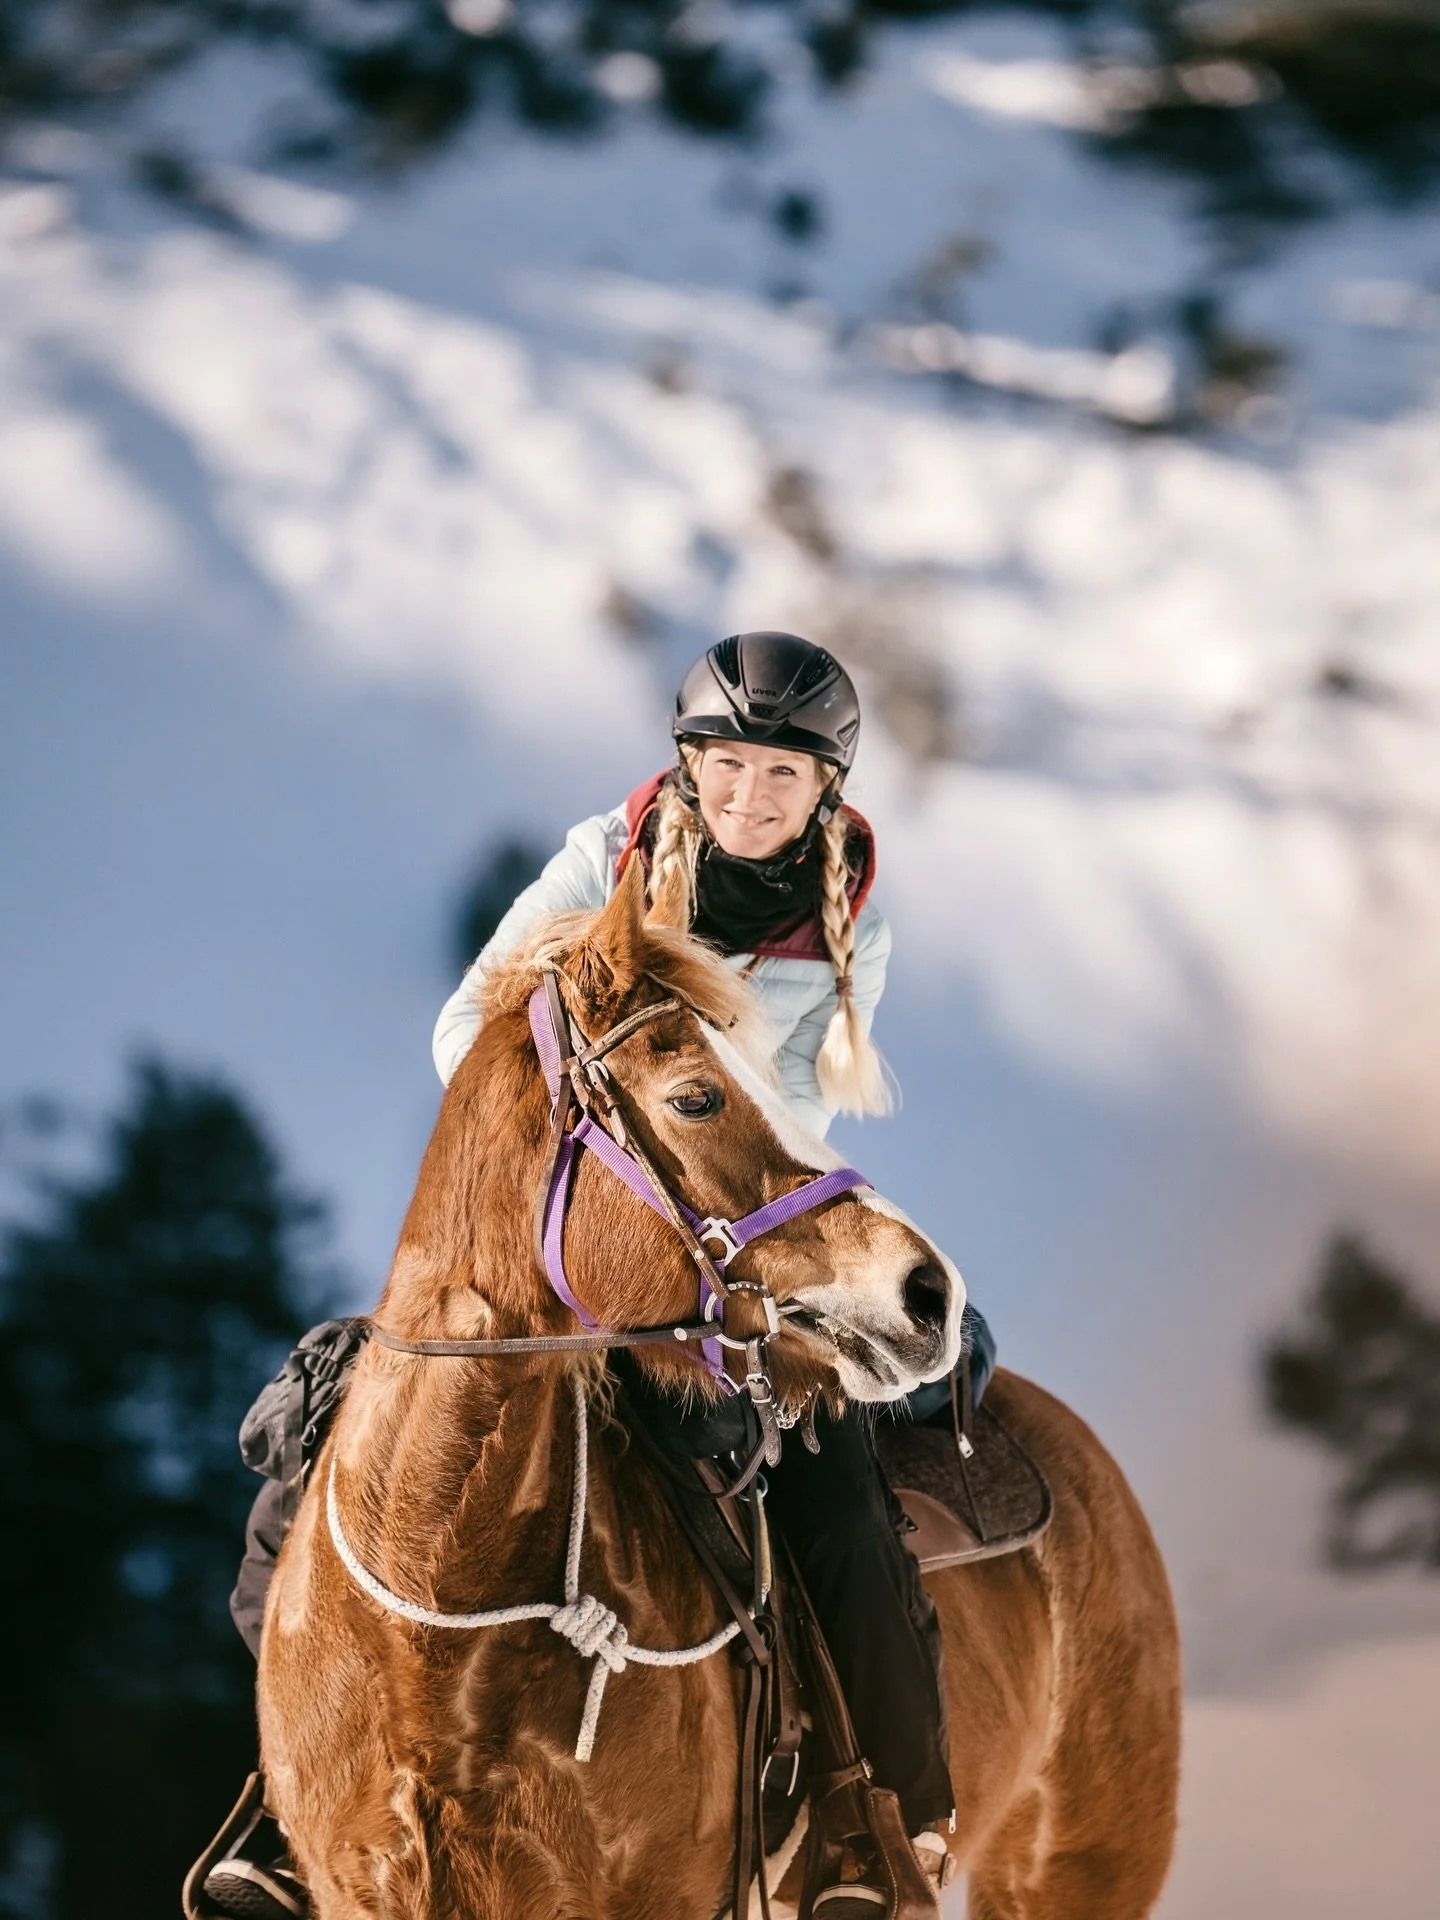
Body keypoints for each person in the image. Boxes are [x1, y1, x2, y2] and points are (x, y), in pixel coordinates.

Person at [201, 632, 994, 1920]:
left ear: (827, 793)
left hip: (711, 1230)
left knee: (839, 1506)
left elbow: (778, 1121)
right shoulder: (598, 859)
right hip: (555, 1201)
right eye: (725, 766)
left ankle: (872, 1831)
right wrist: (571, 1079)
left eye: (781, 777)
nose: (748, 797)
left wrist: (697, 1207)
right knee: (322, 1459)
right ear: (686, 765)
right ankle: (293, 1814)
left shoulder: (854, 927)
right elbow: (469, 1026)